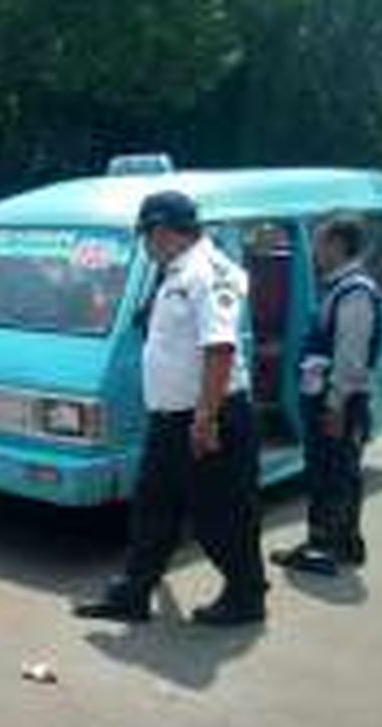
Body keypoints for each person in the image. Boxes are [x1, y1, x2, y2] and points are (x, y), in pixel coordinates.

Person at [75, 191, 266, 626]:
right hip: (170, 419)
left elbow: (219, 348)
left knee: (222, 514)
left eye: (147, 235)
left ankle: (246, 595)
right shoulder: (172, 271)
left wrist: (205, 418)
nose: (145, 244)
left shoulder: (209, 272)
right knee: (152, 507)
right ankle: (134, 592)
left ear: (162, 231)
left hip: (208, 415)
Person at [272, 217, 382, 576]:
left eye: (320, 245)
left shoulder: (355, 293)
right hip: (330, 400)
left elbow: (351, 358)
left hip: (339, 403)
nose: (316, 253)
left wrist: (335, 405)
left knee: (332, 474)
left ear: (337, 245)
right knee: (337, 472)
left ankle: (325, 548)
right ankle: (343, 542)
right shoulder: (340, 288)